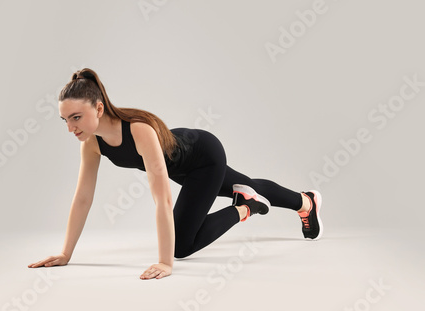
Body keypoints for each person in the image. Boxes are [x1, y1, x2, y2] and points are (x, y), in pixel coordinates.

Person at [28, 68, 323, 280]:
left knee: (181, 245)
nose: (70, 127)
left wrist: (164, 262)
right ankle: (305, 202)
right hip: (185, 164)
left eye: (76, 117)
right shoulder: (92, 143)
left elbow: (162, 200)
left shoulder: (138, 131)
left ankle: (244, 208)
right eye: (65, 120)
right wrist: (66, 253)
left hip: (204, 157)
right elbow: (83, 199)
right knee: (248, 184)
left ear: (99, 108)